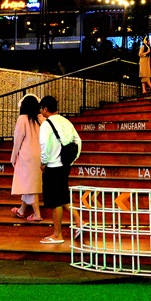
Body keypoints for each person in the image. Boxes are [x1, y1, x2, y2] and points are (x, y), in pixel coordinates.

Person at [37, 95, 84, 245]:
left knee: (55, 201)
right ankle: (79, 221)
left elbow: (44, 143)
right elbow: (78, 141)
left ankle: (57, 234)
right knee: (63, 197)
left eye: (41, 108)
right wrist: (72, 160)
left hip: (52, 166)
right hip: (65, 165)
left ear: (45, 109)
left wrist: (43, 162)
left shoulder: (46, 124)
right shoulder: (66, 121)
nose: (40, 111)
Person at [10, 94, 43, 222]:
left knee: (29, 185)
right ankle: (22, 210)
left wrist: (13, 157)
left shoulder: (22, 119)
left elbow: (17, 140)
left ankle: (37, 214)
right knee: (29, 183)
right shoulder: (41, 119)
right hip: (40, 155)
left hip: (26, 156)